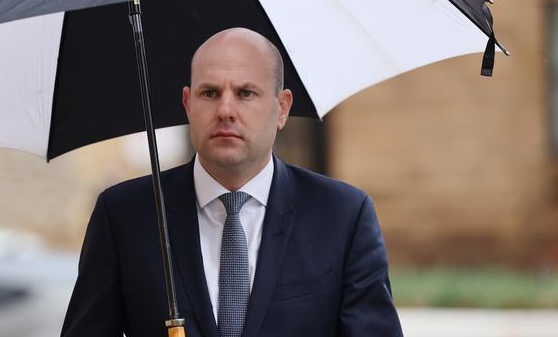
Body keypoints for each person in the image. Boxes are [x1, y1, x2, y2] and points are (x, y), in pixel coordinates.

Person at [61, 28, 403, 337]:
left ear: (282, 108)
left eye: (245, 93)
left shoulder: (342, 215)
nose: (225, 109)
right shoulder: (125, 216)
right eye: (209, 93)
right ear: (187, 104)